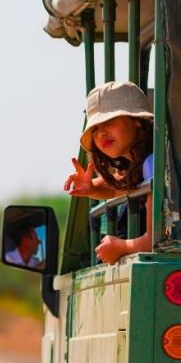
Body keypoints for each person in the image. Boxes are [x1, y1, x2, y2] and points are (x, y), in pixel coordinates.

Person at [63, 81, 155, 264]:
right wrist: (91, 187)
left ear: (137, 120)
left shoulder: (152, 163)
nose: (101, 133)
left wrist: (121, 247)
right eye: (95, 128)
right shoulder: (141, 164)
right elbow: (117, 188)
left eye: (109, 121)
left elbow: (155, 240)